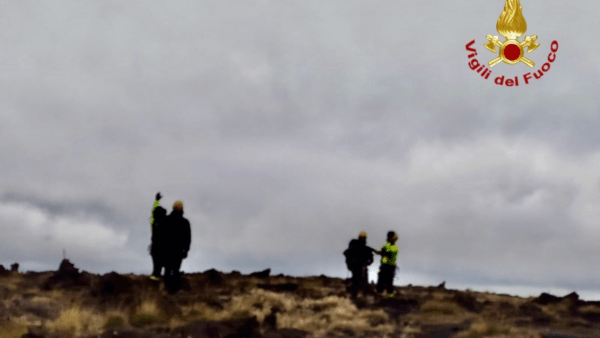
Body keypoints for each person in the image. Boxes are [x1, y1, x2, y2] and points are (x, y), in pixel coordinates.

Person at [163, 200, 191, 293]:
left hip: (167, 250)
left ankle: (168, 289)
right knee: (175, 270)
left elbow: (160, 236)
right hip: (178, 251)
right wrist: (186, 250)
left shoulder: (166, 220)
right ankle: (173, 291)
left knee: (168, 270)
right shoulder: (185, 222)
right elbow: (188, 238)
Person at [343, 231, 375, 299]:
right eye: (363, 238)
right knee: (356, 282)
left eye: (364, 238)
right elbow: (347, 253)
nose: (364, 239)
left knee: (363, 283)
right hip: (356, 267)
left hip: (362, 267)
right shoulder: (355, 246)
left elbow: (371, 259)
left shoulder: (365, 248)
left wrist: (367, 263)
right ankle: (354, 297)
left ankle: (362, 298)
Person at [375, 231, 399, 298]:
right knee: (381, 280)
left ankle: (389, 295)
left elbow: (387, 254)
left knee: (389, 281)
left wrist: (382, 252)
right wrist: (377, 251)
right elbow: (383, 252)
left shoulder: (394, 247)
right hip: (384, 265)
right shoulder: (388, 245)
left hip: (390, 266)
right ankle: (380, 294)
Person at [149, 192, 167, 281]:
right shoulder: (167, 222)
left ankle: (155, 278)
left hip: (155, 247)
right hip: (164, 247)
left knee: (156, 266)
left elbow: (153, 211)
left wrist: (156, 201)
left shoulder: (154, 223)